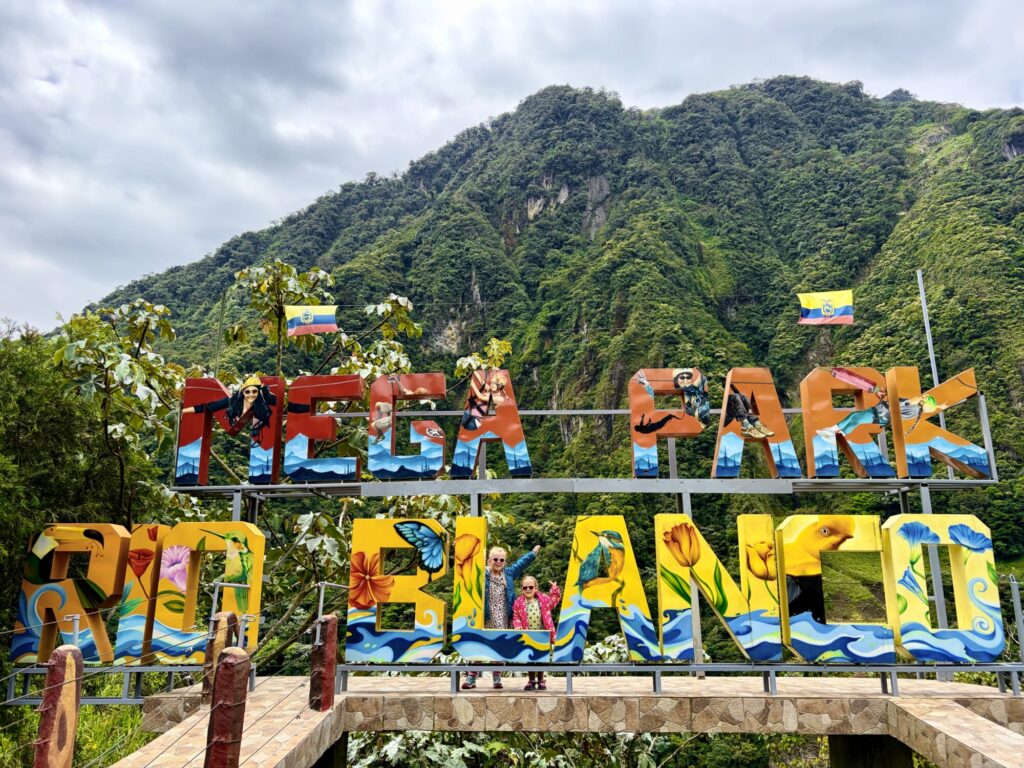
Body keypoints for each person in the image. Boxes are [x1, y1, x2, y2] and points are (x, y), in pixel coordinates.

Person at [462, 543, 540, 690]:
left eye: (502, 560)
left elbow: (520, 564)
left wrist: (533, 554)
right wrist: (459, 548)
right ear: (489, 560)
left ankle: (496, 677)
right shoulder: (482, 573)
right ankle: (471, 677)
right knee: (479, 645)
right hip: (485, 616)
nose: (498, 562)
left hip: (503, 617)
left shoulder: (508, 574)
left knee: (498, 646)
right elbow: (468, 563)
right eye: (495, 559)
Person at [181, 375, 277, 441]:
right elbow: (208, 407)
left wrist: (265, 390)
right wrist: (183, 411)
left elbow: (278, 402)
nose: (251, 395)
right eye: (247, 392)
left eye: (254, 391)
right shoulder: (231, 402)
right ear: (242, 392)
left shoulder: (262, 404)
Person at [512, 576, 560, 691]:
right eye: (525, 587)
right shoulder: (518, 602)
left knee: (541, 657)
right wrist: (518, 626)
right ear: (522, 589)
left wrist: (554, 589)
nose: (528, 589)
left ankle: (541, 680)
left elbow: (555, 599)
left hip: (543, 634)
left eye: (530, 587)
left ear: (536, 588)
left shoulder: (543, 599)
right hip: (528, 635)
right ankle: (531, 680)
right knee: (530, 658)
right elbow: (515, 616)